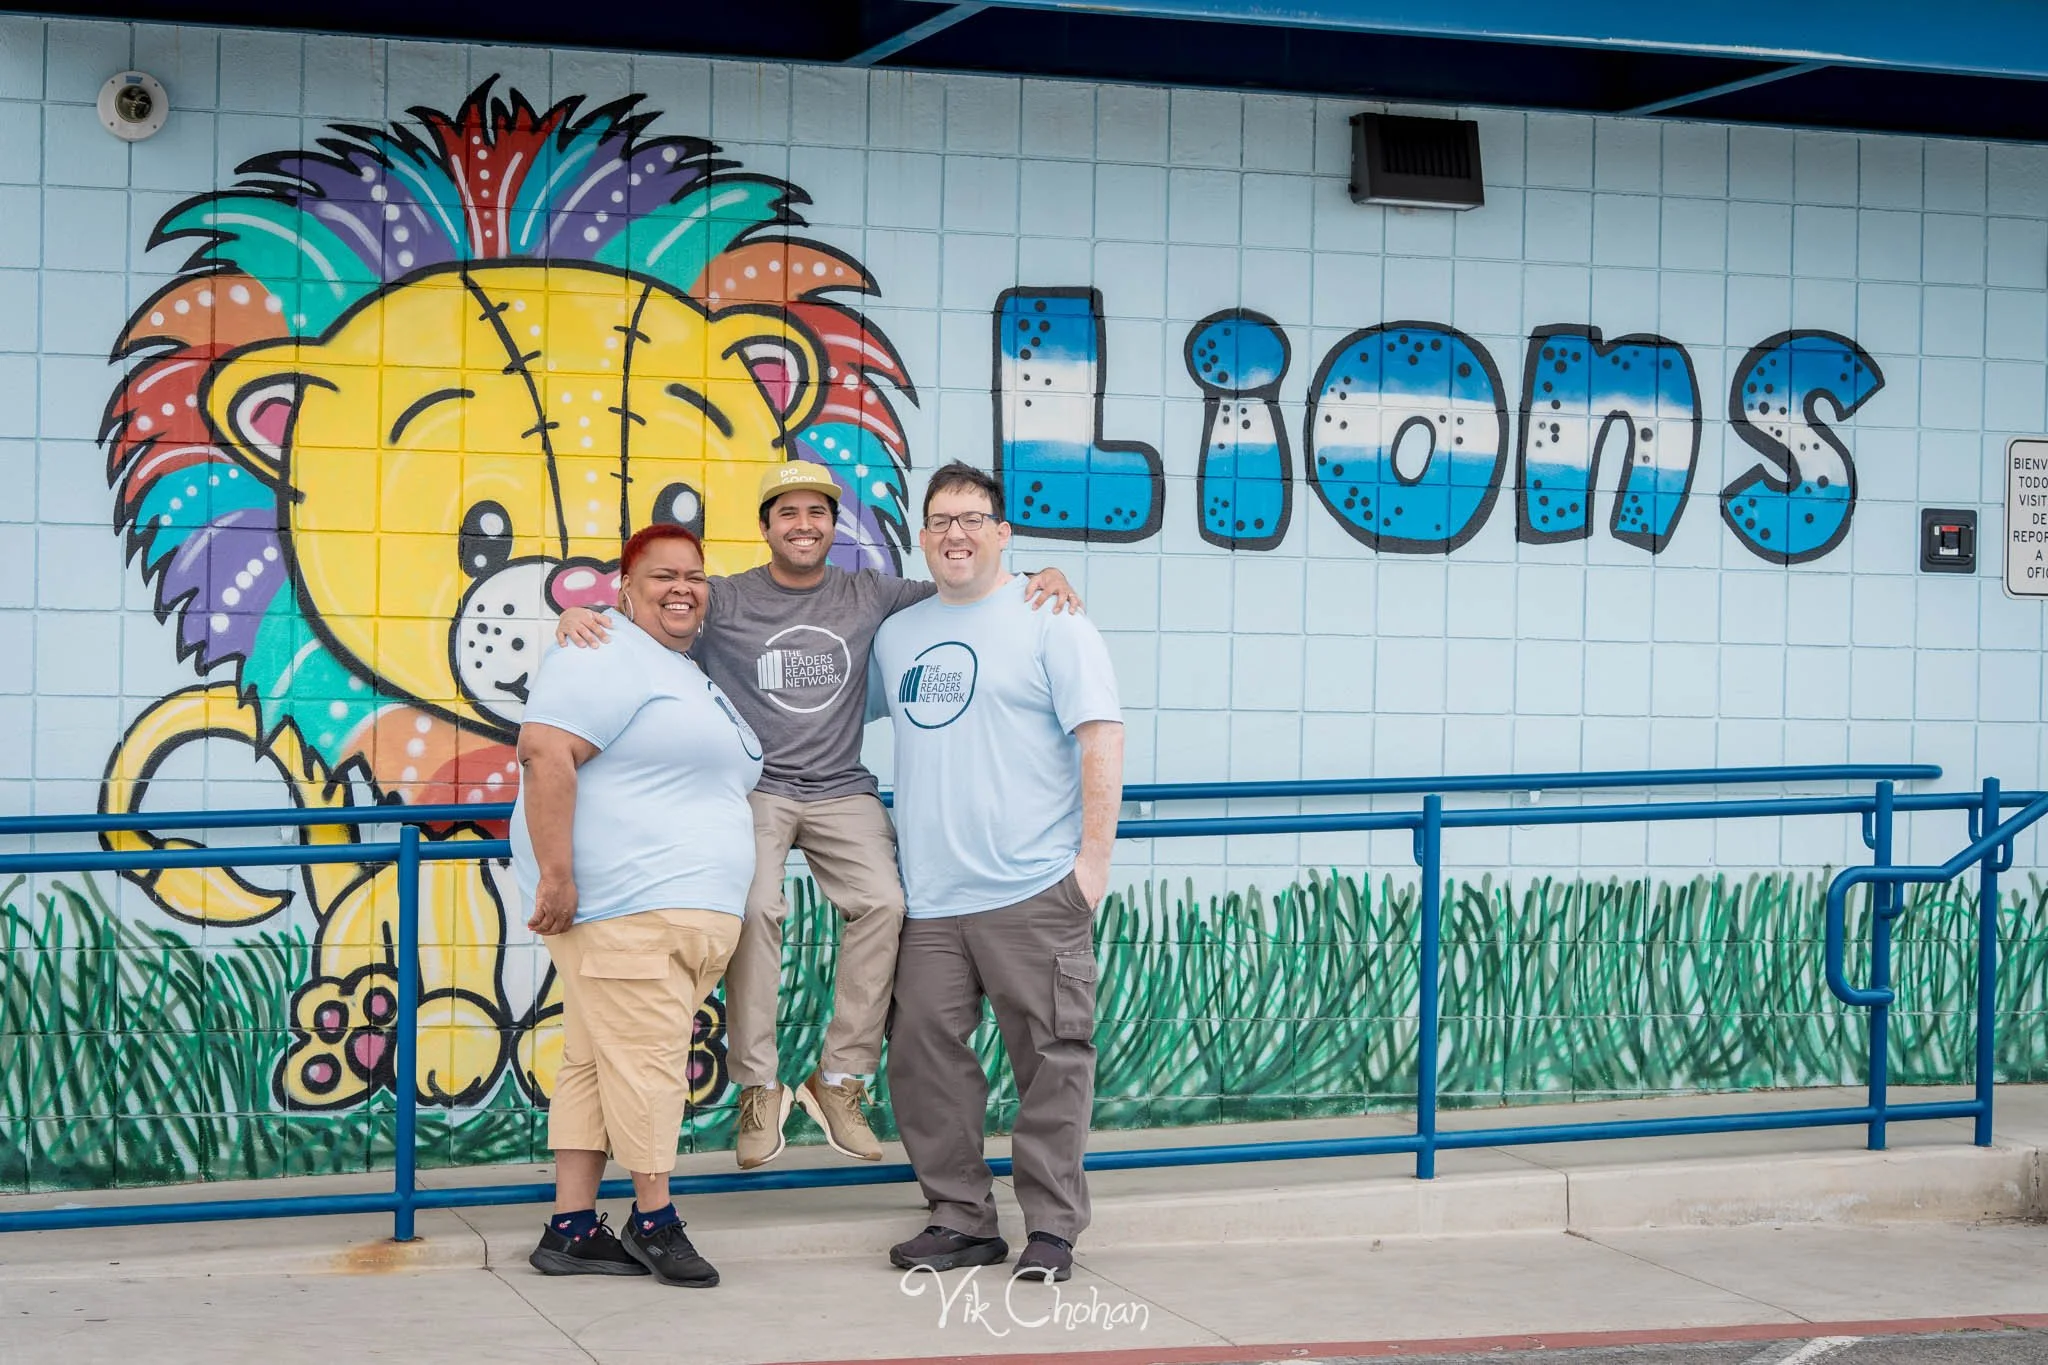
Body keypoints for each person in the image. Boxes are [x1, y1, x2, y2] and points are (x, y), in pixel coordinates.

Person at [555, 463, 1081, 1171]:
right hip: (762, 788)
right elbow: (657, 613)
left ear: (833, 527)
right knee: (755, 906)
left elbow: (971, 583)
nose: (803, 524)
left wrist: (1041, 574)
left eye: (817, 513)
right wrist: (583, 615)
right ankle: (757, 1085)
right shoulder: (728, 598)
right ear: (766, 525)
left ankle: (839, 1079)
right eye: (788, 512)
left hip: (842, 787)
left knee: (885, 901)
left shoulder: (873, 593)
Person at [872, 461, 1124, 1284]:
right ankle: (961, 1216)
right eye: (941, 519)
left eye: (973, 517)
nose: (956, 532)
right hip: (933, 900)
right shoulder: (899, 632)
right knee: (923, 1058)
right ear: (922, 534)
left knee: (1053, 1059)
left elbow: (1101, 736)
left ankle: (1050, 1228)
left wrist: (1090, 865)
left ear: (1004, 531)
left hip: (1033, 888)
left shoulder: (1053, 617)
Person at [515, 523, 763, 1289]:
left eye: (694, 574)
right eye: (661, 576)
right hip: (629, 909)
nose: (682, 586)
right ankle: (654, 1219)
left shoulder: (677, 667)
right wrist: (556, 876)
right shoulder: (605, 649)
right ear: (623, 588)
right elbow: (543, 749)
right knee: (652, 1064)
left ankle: (571, 1227)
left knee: (593, 1064)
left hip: (671, 914)